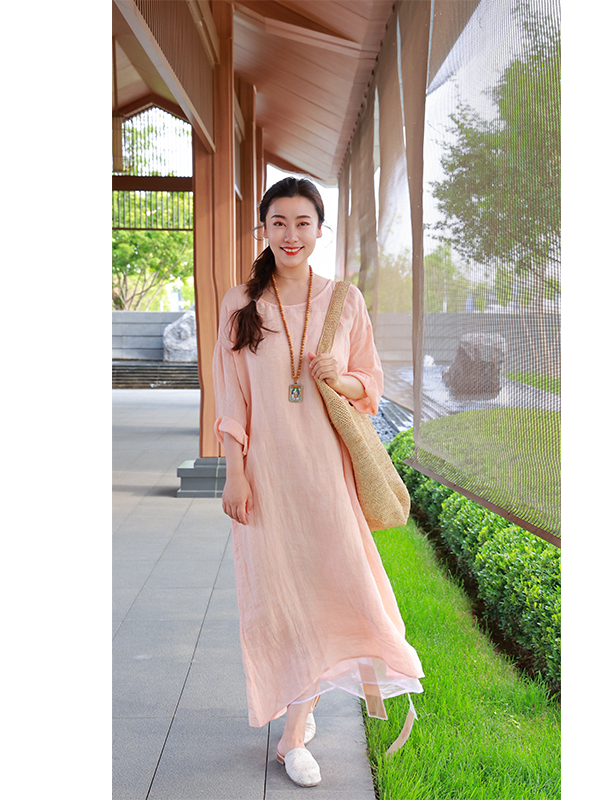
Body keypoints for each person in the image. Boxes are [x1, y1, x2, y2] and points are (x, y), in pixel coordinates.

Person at [213, 176, 424, 788]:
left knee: (334, 588)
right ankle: (294, 722)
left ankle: (294, 733)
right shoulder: (240, 303)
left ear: (319, 230)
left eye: (302, 223)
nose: (291, 235)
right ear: (263, 229)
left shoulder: (344, 301)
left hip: (328, 476)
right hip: (267, 478)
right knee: (280, 597)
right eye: (278, 222)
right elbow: (231, 396)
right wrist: (234, 474)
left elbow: (370, 384)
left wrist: (340, 374)